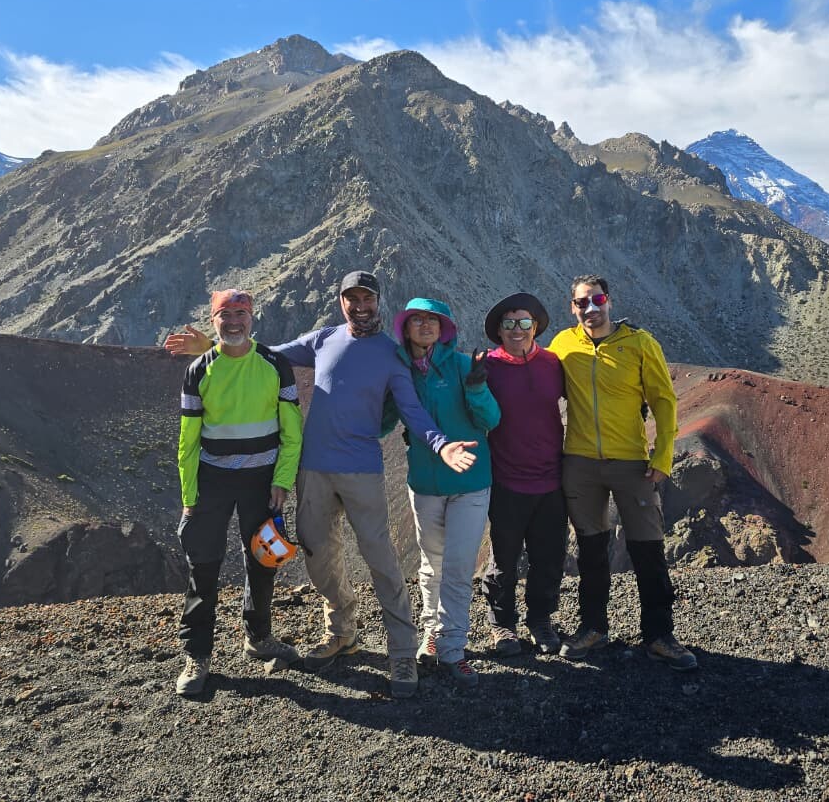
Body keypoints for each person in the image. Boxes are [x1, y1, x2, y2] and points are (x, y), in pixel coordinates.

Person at [165, 271, 478, 699]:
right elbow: (261, 354)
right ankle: (342, 631)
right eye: (352, 299)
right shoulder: (323, 339)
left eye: (367, 299)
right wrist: (211, 346)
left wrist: (441, 445)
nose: (360, 306)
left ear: (378, 302)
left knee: (380, 559)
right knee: (317, 556)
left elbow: (412, 410)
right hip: (312, 469)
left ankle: (402, 651)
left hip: (362, 470)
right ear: (341, 302)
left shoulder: (391, 355)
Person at [547, 275, 697, 671]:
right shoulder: (562, 345)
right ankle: (593, 628)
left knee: (648, 548)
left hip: (632, 462)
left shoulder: (639, 343)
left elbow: (663, 401)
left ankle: (660, 635)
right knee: (591, 550)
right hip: (579, 462)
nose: (590, 308)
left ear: (609, 301)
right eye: (582, 302)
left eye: (597, 300)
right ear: (572, 307)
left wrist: (663, 456)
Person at [174, 289, 304, 696]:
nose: (233, 321)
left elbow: (292, 431)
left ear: (252, 317)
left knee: (263, 559)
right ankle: (197, 654)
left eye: (240, 313)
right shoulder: (199, 370)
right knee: (203, 566)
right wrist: (190, 496)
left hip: (261, 480)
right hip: (211, 480)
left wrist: (282, 480)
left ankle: (259, 637)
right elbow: (188, 439)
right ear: (213, 320)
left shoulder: (274, 365)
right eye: (225, 314)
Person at [383, 298, 499, 687]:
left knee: (458, 566)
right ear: (405, 328)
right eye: (417, 319)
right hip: (425, 483)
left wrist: (477, 389)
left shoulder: (463, 366)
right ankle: (432, 632)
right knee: (431, 563)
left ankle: (453, 648)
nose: (426, 325)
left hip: (469, 482)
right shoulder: (399, 372)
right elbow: (384, 423)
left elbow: (491, 418)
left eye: (433, 320)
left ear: (443, 328)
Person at [478, 293, 568, 658]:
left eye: (525, 322)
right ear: (499, 331)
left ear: (536, 327)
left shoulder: (553, 364)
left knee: (548, 556)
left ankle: (540, 620)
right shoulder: (487, 367)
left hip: (552, 478)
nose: (518, 329)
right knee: (504, 558)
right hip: (506, 480)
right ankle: (502, 624)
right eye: (509, 323)